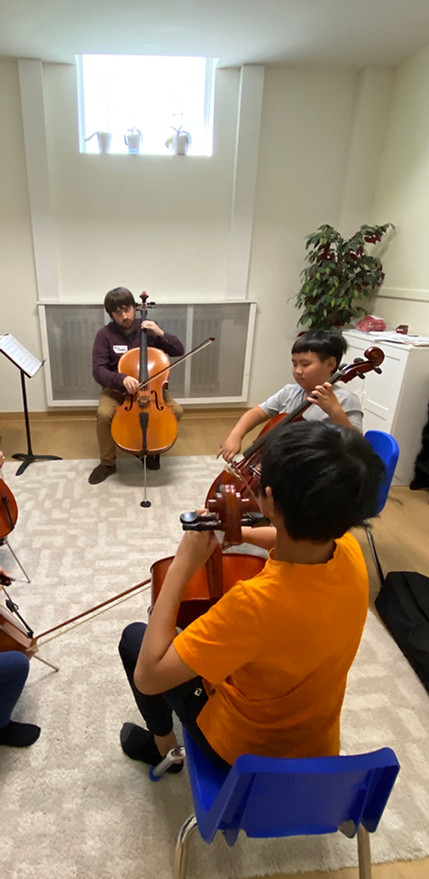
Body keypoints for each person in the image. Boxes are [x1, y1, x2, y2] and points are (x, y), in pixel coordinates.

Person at [118, 420, 384, 773]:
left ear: (269, 499)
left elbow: (149, 678)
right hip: (315, 741)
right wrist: (237, 531)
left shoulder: (254, 604)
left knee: (134, 640)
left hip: (244, 753)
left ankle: (164, 749)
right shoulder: (348, 550)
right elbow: (289, 537)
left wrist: (183, 566)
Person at [218, 330, 362, 464]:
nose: (298, 371)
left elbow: (357, 445)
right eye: (294, 364)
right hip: (285, 463)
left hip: (320, 468)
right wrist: (236, 435)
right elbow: (257, 412)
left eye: (305, 364)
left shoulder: (345, 399)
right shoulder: (290, 392)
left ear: (330, 364)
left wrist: (335, 411)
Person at [89, 287, 185, 485]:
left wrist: (160, 333)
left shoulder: (150, 328)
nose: (124, 316)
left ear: (134, 307)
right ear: (111, 314)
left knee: (176, 410)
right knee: (105, 414)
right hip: (117, 389)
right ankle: (107, 463)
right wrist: (121, 379)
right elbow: (98, 371)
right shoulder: (104, 335)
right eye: (118, 312)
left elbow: (178, 350)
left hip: (152, 390)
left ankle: (151, 450)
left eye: (127, 309)